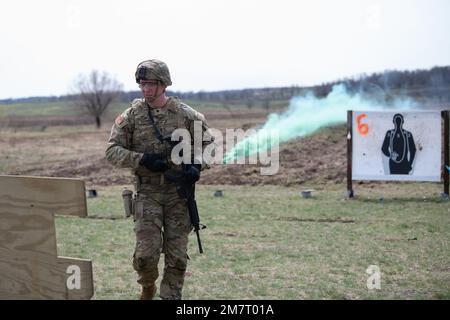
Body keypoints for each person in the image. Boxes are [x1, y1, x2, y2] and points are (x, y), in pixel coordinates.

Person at [105, 59, 212, 300]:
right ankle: (147, 287)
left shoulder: (185, 114)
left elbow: (208, 145)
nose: (146, 89)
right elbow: (111, 151)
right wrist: (142, 159)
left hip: (178, 195)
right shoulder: (131, 116)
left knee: (177, 257)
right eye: (142, 84)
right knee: (146, 256)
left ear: (164, 84)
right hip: (148, 194)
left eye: (151, 84)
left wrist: (196, 164)